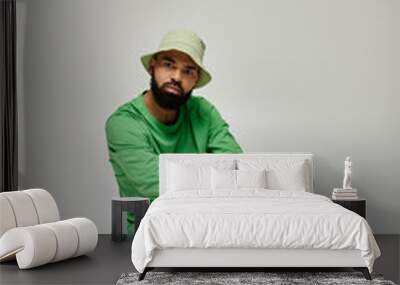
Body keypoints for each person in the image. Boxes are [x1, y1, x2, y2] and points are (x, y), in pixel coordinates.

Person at [105, 29, 242, 234]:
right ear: (153, 66)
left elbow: (238, 170)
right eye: (168, 65)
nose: (176, 77)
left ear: (195, 81)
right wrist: (214, 178)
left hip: (202, 232)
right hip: (143, 237)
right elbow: (157, 186)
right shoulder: (123, 123)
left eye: (188, 71)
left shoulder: (203, 112)